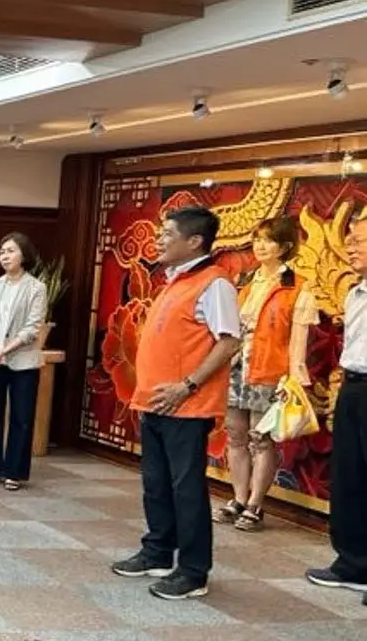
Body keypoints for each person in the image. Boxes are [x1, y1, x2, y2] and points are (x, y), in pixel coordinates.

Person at [111, 205, 241, 601]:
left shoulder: (214, 283)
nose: (159, 240)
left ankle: (193, 571)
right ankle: (157, 552)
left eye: (168, 234)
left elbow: (229, 342)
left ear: (195, 241)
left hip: (187, 405)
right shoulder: (173, 280)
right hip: (155, 402)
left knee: (186, 489)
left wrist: (187, 385)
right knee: (156, 484)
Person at [214, 217, 317, 532]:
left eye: (268, 240)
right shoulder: (245, 280)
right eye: (257, 239)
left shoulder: (297, 286)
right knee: (235, 435)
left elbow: (297, 342)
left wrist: (294, 378)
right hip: (237, 367)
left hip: (270, 371)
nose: (260, 246)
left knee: (260, 439)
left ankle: (255, 504)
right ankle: (238, 497)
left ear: (285, 247)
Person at [307, 210, 367, 596]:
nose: (350, 248)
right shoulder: (356, 292)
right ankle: (353, 563)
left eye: (359, 241)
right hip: (353, 387)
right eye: (350, 241)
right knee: (349, 478)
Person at [0, 233, 48, 491]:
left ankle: (14, 472)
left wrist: (4, 350)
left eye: (11, 251)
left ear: (23, 255)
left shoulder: (36, 288)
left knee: (21, 417)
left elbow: (32, 328)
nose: (5, 256)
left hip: (22, 360)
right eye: (2, 252)